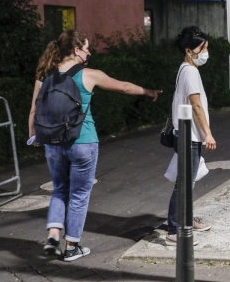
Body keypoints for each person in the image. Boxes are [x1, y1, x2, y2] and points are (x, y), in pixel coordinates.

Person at [28, 29, 162, 261]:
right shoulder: (89, 74)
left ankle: (53, 237)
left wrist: (34, 136)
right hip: (83, 141)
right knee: (79, 194)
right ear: (76, 50)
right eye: (87, 48)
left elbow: (34, 110)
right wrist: (148, 91)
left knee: (60, 189)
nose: (89, 52)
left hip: (52, 142)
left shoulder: (44, 75)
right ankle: (71, 246)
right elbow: (124, 87)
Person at [165, 26, 216, 246]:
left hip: (185, 134)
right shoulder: (191, 72)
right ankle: (175, 230)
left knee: (188, 181)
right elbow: (196, 106)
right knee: (184, 184)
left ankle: (185, 219)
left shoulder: (184, 69)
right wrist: (208, 134)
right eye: (202, 48)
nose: (205, 52)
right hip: (190, 136)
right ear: (189, 50)